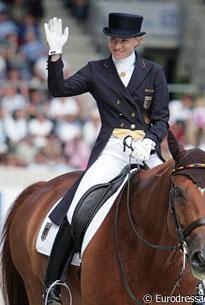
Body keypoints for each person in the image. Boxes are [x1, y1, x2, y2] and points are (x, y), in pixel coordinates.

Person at [43, 13, 169, 305]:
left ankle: (196, 285)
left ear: (138, 41)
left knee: (177, 198)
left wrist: (150, 140)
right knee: (77, 206)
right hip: (112, 147)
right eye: (113, 39)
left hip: (145, 147)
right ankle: (52, 285)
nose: (117, 45)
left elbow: (162, 118)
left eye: (124, 40)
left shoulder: (154, 72)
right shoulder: (96, 70)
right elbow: (58, 89)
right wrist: (55, 55)